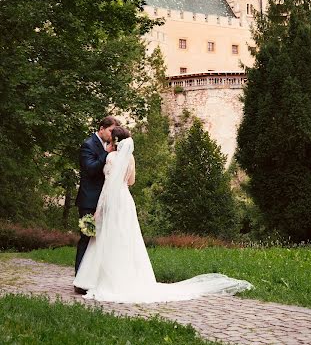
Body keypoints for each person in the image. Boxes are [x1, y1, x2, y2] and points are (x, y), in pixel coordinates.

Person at [74, 127, 253, 303]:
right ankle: (131, 278)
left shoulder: (111, 158)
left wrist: (99, 210)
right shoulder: (130, 159)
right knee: (127, 238)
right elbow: (131, 181)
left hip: (112, 201)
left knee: (110, 238)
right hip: (125, 201)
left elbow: (107, 188)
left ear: (114, 142)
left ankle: (103, 279)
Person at [74, 115, 120, 284]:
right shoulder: (88, 145)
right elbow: (91, 169)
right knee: (86, 238)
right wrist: (106, 154)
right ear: (101, 129)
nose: (112, 134)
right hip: (89, 200)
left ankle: (95, 278)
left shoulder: (111, 147)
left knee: (101, 241)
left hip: (105, 200)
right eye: (110, 130)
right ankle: (79, 279)